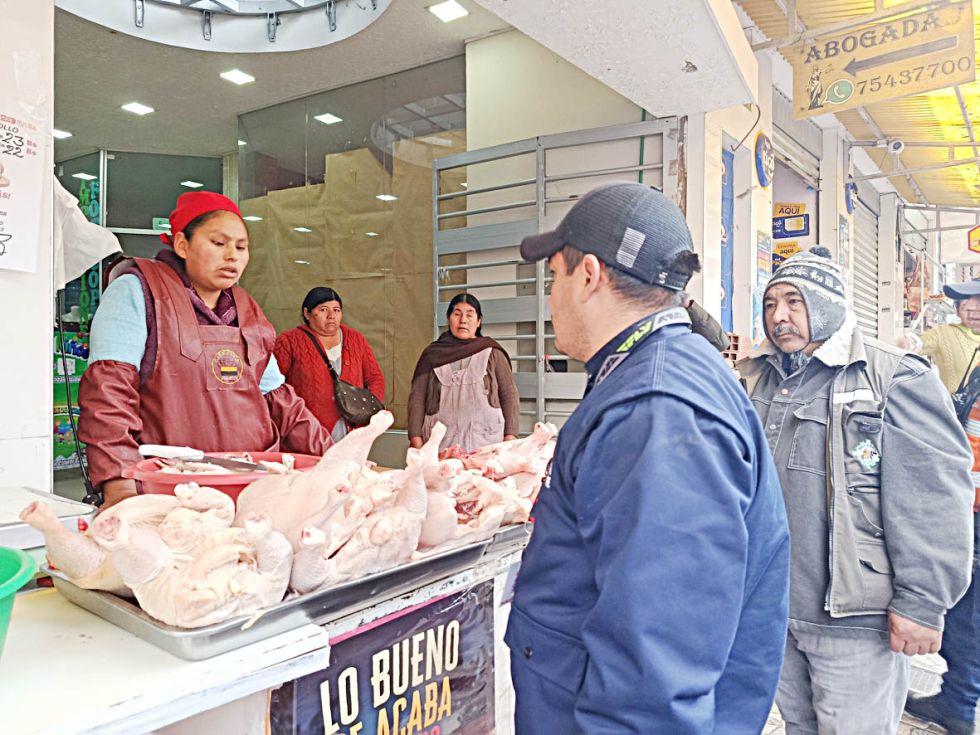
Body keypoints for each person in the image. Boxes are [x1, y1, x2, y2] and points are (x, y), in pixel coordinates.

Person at [509, 181, 791, 733]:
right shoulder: (654, 370)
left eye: (554, 276)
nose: (550, 297)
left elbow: (655, 677)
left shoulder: (658, 411)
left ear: (589, 275)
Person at [738, 246, 975, 734]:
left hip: (857, 619)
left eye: (794, 302)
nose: (778, 316)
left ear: (827, 304)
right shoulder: (758, 378)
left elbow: (932, 498)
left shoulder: (895, 377)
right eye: (770, 304)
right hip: (776, 609)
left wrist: (922, 603)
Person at [78, 191, 331, 508]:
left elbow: (282, 402)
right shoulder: (137, 290)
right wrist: (119, 485)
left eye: (241, 247)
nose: (232, 256)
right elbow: (109, 393)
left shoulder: (247, 310)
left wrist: (339, 461)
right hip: (169, 490)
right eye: (218, 243)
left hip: (251, 489)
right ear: (182, 244)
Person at [902, 276, 980, 735]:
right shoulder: (953, 341)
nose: (973, 307)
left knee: (968, 611)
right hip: (966, 498)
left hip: (973, 505)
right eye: (967, 300)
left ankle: (959, 705)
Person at [408, 293, 519, 451]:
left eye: (469, 314)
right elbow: (417, 397)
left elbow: (509, 394)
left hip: (487, 442)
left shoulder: (492, 352)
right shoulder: (432, 355)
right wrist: (416, 439)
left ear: (479, 321)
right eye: (457, 314)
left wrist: (510, 437)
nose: (463, 320)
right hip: (442, 446)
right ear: (449, 318)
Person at [274, 287, 385, 442]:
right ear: (307, 313)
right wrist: (292, 418)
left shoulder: (356, 339)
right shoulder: (289, 341)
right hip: (305, 434)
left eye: (336, 310)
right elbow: (274, 388)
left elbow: (375, 379)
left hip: (352, 431)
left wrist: (367, 411)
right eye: (323, 309)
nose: (331, 316)